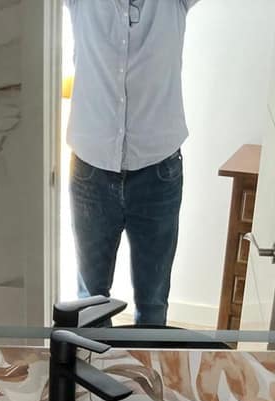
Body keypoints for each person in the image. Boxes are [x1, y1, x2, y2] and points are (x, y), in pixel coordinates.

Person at [66, 0, 200, 327]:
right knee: (91, 299)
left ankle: (146, 361)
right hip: (91, 172)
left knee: (153, 300)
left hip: (158, 172)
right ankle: (93, 361)